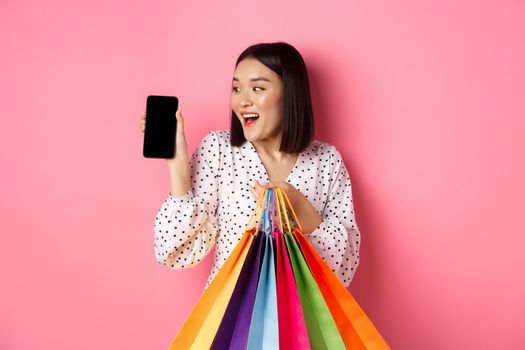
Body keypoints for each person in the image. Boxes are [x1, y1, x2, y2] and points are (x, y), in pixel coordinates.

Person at [140, 42, 361, 290]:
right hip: (230, 322)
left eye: (257, 88)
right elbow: (175, 252)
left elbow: (344, 270)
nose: (242, 101)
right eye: (236, 88)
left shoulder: (326, 161)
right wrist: (178, 166)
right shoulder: (219, 150)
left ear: (291, 94)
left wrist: (299, 210)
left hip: (303, 325)